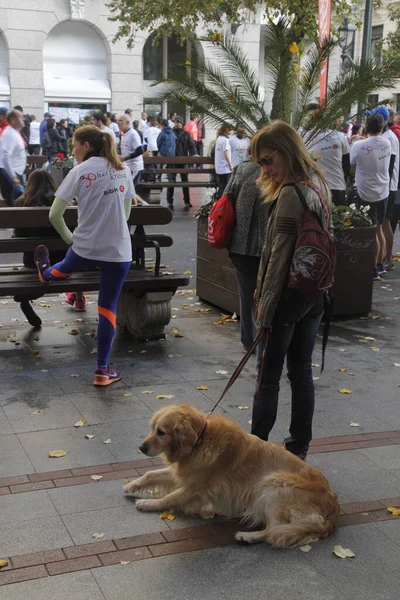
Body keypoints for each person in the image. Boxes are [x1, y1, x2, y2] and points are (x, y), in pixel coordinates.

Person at [250, 120, 332, 461]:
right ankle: (298, 448)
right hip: (314, 296)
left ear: (286, 152)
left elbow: (277, 259)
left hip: (286, 300)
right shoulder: (318, 185)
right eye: (261, 163)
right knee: (301, 372)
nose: (266, 168)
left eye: (269, 160)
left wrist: (264, 311)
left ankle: (254, 450)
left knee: (268, 377)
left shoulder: (289, 194)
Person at [33, 125, 135, 386]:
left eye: (74, 145)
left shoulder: (78, 172)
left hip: (85, 249)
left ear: (86, 146)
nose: (72, 150)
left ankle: (45, 274)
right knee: (107, 308)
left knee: (64, 266)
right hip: (118, 251)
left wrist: (70, 238)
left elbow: (54, 215)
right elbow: (125, 215)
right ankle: (102, 370)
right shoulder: (124, 170)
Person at [14, 170, 85, 326]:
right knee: (76, 257)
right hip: (62, 261)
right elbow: (74, 232)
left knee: (40, 272)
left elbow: (18, 235)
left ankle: (25, 296)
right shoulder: (63, 201)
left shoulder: (21, 203)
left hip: (33, 261)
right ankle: (79, 298)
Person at [225, 158, 268, 352]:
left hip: (240, 245)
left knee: (246, 295)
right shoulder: (278, 170)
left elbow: (226, 198)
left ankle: (248, 341)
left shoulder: (241, 169)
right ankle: (265, 339)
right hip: (269, 245)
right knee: (267, 294)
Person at [350, 113, 391, 281]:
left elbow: (351, 162)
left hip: (365, 192)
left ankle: (372, 269)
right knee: (379, 228)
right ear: (382, 127)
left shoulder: (359, 145)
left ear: (367, 127)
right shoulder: (387, 143)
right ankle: (379, 265)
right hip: (383, 191)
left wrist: (358, 140)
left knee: (371, 230)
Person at [368, 107, 399, 273]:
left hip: (387, 186)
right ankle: (384, 258)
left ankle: (386, 258)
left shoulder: (389, 138)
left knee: (384, 224)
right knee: (383, 224)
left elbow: (390, 165)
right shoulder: (387, 137)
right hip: (386, 185)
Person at [306, 119, 350, 206]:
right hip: (337, 186)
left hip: (316, 188)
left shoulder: (306, 137)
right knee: (338, 218)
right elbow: (346, 165)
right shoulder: (340, 136)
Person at [168, 115, 196, 209]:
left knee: (185, 182)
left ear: (181, 123)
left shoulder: (186, 134)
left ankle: (187, 201)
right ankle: (169, 201)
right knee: (171, 181)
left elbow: (192, 145)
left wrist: (194, 154)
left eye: (177, 122)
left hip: (183, 161)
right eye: (175, 122)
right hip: (172, 161)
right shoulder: (170, 133)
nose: (175, 124)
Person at [0, 109, 26, 206]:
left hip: (14, 173)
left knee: (16, 203)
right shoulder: (9, 134)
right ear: (13, 119)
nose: (23, 120)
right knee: (14, 204)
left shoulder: (13, 133)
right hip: (11, 174)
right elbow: (5, 156)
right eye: (21, 117)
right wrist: (13, 177)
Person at [118, 113, 144, 188]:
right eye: (118, 124)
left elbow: (140, 151)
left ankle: (140, 200)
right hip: (127, 166)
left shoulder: (133, 134)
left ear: (127, 123)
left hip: (134, 166)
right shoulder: (123, 134)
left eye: (121, 123)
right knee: (128, 189)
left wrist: (125, 158)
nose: (120, 126)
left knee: (130, 188)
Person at [214, 124, 233, 199]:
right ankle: (221, 204)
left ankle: (218, 203)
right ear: (227, 130)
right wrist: (230, 165)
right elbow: (226, 154)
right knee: (225, 189)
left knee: (221, 187)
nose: (232, 131)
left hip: (219, 169)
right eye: (231, 129)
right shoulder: (225, 140)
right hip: (225, 169)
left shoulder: (219, 138)